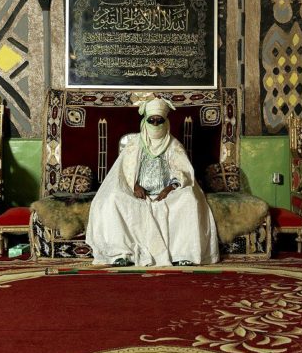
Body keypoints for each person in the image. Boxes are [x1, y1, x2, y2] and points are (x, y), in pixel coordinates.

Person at [86, 97, 220, 267]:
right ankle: (121, 254)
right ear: (145, 121)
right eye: (152, 120)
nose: (155, 125)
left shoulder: (174, 145)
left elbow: (183, 173)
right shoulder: (134, 145)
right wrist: (134, 186)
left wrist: (169, 188)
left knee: (189, 199)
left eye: (159, 121)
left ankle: (184, 254)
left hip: (167, 195)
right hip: (138, 194)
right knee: (112, 200)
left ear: (166, 121)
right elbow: (123, 172)